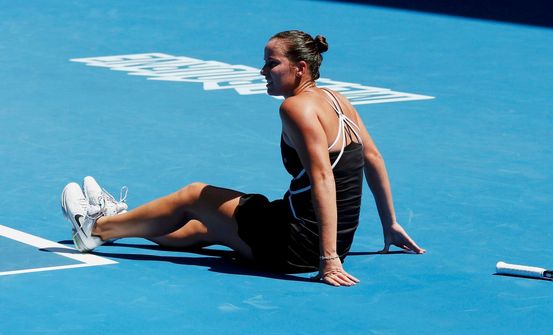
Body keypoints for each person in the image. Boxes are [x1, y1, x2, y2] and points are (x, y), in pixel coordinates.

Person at [61, 30, 424, 286]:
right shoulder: (335, 98)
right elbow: (373, 157)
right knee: (205, 228)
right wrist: (389, 224)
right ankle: (120, 221)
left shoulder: (296, 109)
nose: (262, 71)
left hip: (298, 244)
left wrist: (327, 259)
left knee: (195, 195)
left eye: (271, 63)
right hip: (323, 237)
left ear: (300, 68)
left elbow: (323, 180)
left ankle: (93, 229)